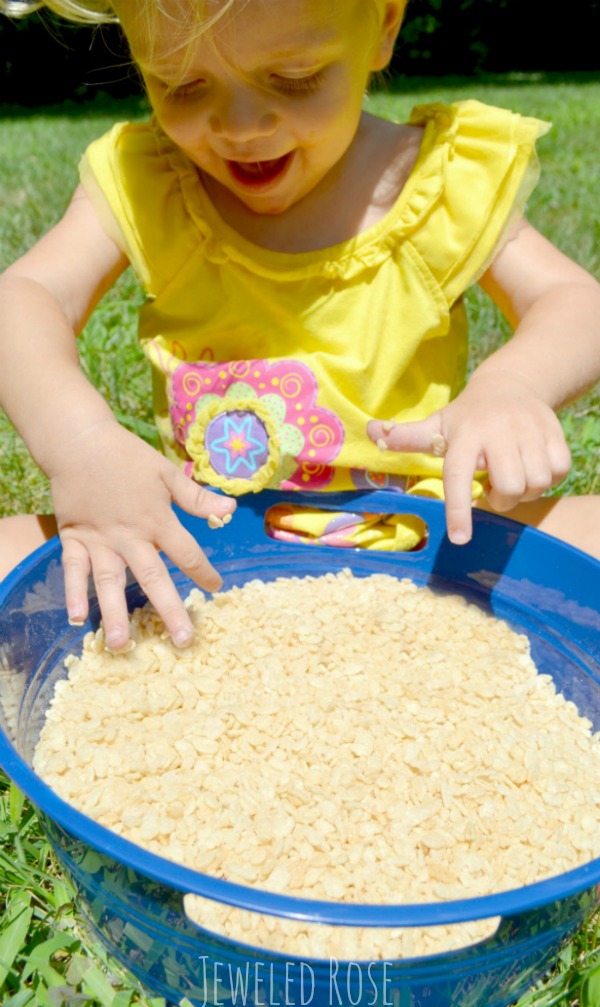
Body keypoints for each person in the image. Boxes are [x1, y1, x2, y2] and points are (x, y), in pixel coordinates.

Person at [1, 0, 599, 653]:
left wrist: (513, 385)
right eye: (182, 85)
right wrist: (80, 442)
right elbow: (26, 296)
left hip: (434, 545)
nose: (240, 127)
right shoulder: (149, 180)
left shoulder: (439, 183)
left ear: (385, 26)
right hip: (207, 548)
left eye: (294, 79)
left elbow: (573, 299)